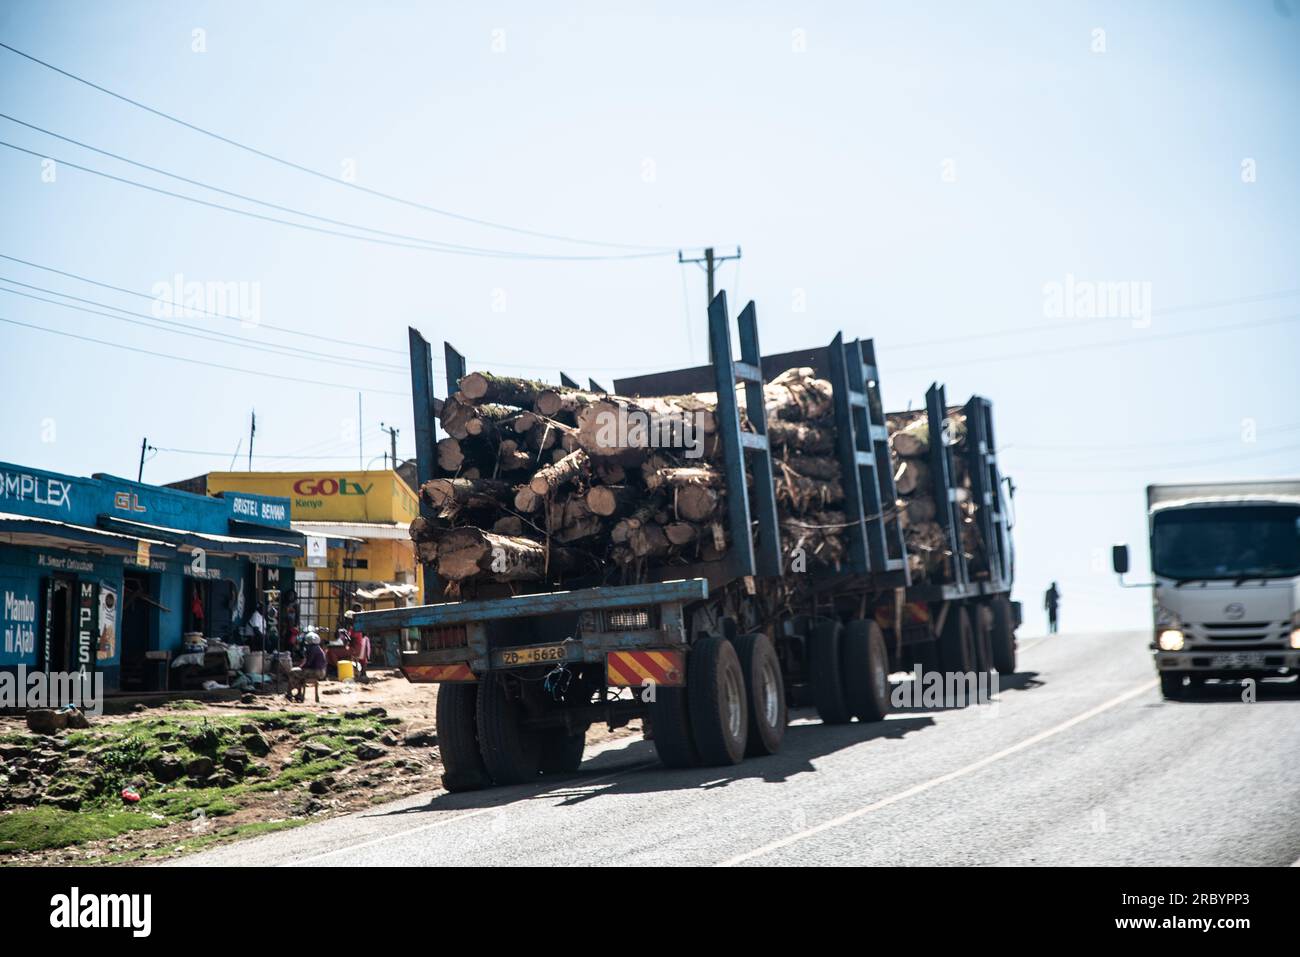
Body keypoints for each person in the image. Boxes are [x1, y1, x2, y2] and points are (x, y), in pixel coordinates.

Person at [287, 630, 327, 703]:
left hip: (316, 671)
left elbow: (308, 662)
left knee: (292, 672)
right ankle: (298, 694)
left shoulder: (312, 649)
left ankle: (290, 693)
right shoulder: (317, 648)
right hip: (321, 671)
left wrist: (301, 667)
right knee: (298, 675)